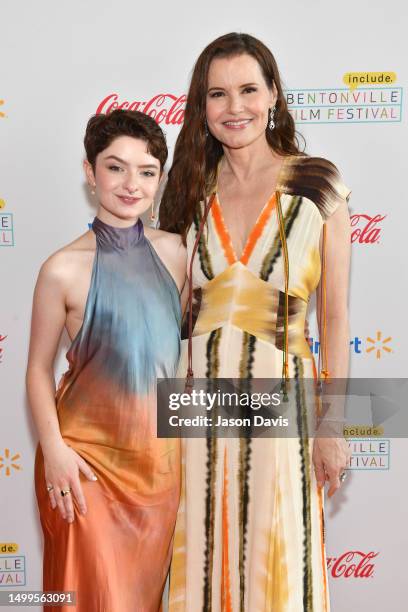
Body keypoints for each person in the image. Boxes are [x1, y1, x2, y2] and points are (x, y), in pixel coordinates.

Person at [159, 33, 351, 611]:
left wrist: (333, 423)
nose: (234, 107)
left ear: (273, 94)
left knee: (280, 557)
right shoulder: (184, 191)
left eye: (248, 89)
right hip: (197, 406)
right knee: (198, 557)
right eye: (218, 94)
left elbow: (337, 315)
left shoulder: (318, 185)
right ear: (202, 106)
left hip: (283, 404)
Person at [26, 109, 186, 612]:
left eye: (147, 171)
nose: (131, 184)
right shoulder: (61, 268)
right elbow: (36, 369)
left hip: (158, 469)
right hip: (84, 466)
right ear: (90, 172)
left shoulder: (179, 252)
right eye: (115, 167)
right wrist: (53, 448)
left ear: (160, 179)